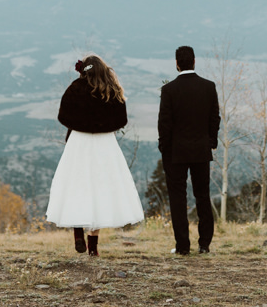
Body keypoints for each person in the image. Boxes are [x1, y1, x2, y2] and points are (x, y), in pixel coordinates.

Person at [45, 54, 144, 255]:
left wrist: (81, 126)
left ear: (84, 70)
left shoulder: (75, 88)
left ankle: (78, 232)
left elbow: (63, 116)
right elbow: (121, 120)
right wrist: (102, 127)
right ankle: (93, 247)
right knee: (101, 190)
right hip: (104, 144)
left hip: (79, 142)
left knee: (76, 186)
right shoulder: (112, 90)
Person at [157, 44, 220, 255]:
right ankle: (204, 244)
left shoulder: (169, 90)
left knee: (178, 198)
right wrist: (211, 141)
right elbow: (214, 118)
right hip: (201, 150)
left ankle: (183, 246)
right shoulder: (208, 87)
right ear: (194, 62)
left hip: (176, 153)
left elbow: (164, 124)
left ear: (176, 63)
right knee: (202, 196)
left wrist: (164, 149)